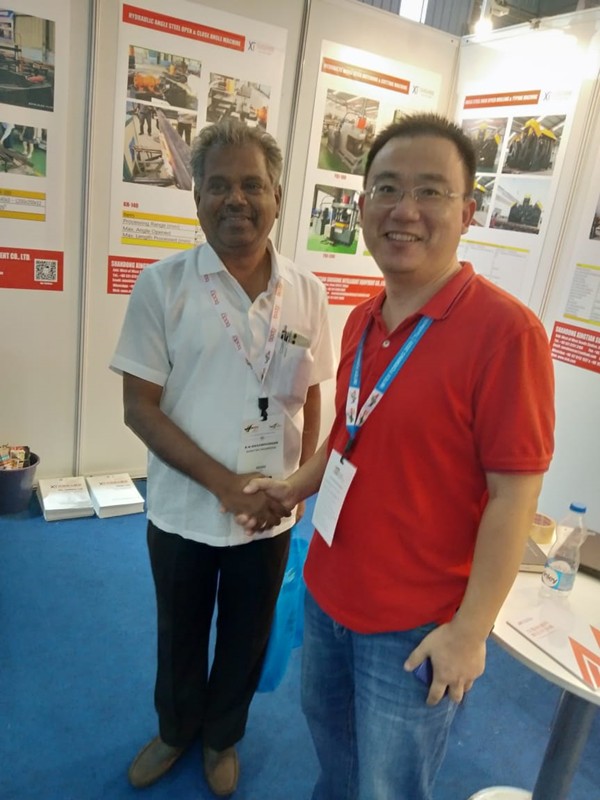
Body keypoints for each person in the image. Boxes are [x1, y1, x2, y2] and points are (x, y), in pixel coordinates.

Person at [239, 113, 555, 800]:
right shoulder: (363, 316)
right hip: (329, 592)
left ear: (467, 212)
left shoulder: (507, 334)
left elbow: (514, 495)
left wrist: (470, 632)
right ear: (361, 207)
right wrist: (293, 487)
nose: (404, 210)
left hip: (415, 626)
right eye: (386, 188)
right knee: (335, 760)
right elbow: (350, 436)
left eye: (430, 191)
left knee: (388, 786)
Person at [110, 118, 334, 796]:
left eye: (252, 185)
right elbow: (139, 408)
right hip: (184, 508)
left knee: (248, 632)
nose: (236, 199)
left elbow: (310, 395)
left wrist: (297, 484)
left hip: (271, 511)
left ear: (277, 197)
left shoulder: (308, 291)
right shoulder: (162, 286)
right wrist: (225, 485)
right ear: (197, 196)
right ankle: (177, 729)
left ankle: (221, 737)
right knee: (179, 630)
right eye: (219, 186)